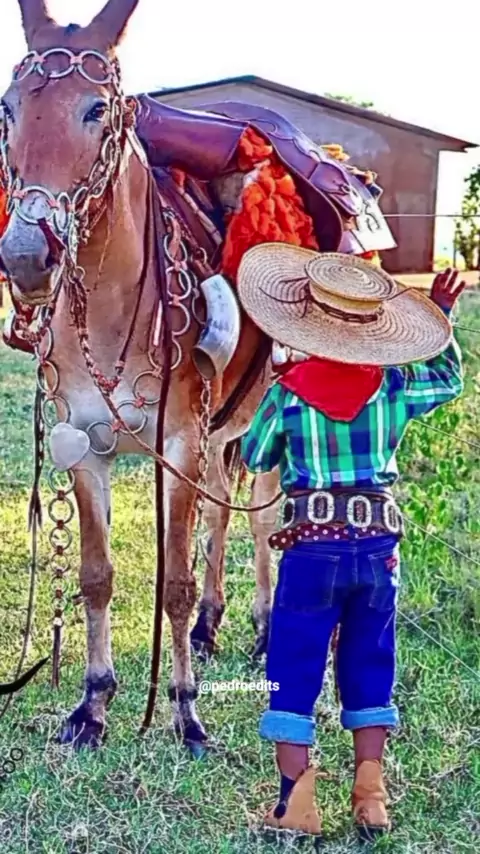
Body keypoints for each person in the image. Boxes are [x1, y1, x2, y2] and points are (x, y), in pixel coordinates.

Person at [238, 248, 465, 843]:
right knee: (370, 658)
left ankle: (296, 805)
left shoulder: (289, 393)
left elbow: (255, 455)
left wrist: (280, 393)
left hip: (311, 550)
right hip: (379, 550)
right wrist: (441, 316)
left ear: (305, 322)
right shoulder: (393, 386)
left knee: (292, 667)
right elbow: (448, 379)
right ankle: (371, 797)